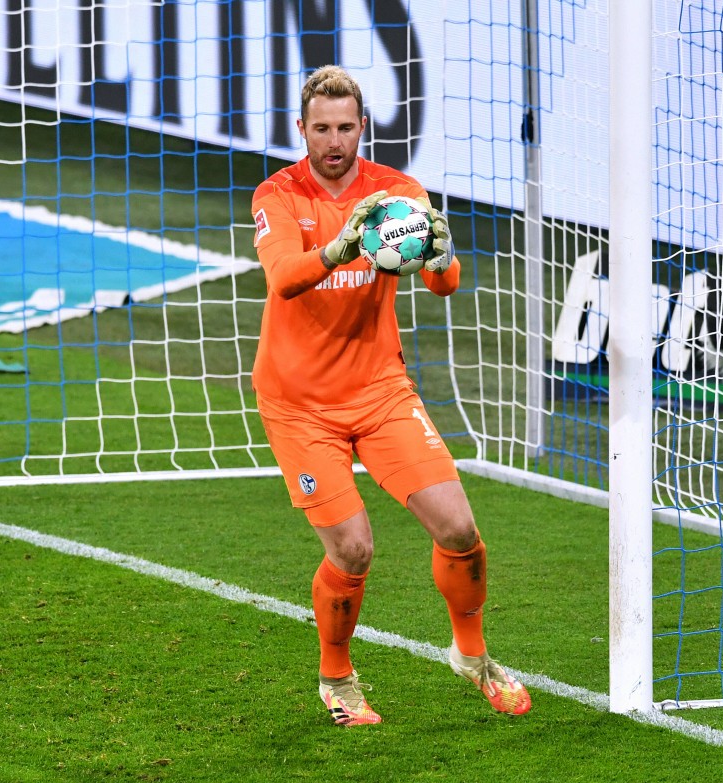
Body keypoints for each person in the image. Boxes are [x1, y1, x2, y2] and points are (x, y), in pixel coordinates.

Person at [250, 64, 532, 726]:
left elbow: (444, 282)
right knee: (352, 549)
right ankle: (337, 676)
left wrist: (440, 257)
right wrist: (342, 247)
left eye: (346, 127)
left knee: (460, 528)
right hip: (299, 403)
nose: (334, 141)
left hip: (379, 390)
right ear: (301, 130)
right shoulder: (279, 195)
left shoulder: (397, 194)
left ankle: (472, 655)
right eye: (321, 129)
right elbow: (284, 278)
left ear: (363, 126)